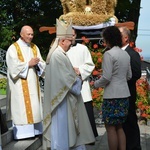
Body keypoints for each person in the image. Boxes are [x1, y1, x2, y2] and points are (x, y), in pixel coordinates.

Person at [43, 19, 95, 150]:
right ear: (62, 41)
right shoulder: (58, 55)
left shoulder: (58, 54)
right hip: (62, 100)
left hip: (62, 97)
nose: (70, 43)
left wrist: (77, 73)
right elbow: (68, 79)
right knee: (64, 131)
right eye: (68, 41)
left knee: (66, 131)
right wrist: (78, 78)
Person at [94, 26, 132, 150]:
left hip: (112, 96)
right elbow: (129, 75)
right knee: (120, 127)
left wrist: (95, 84)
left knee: (110, 128)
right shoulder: (125, 54)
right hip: (124, 95)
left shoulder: (108, 54)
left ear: (108, 39)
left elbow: (106, 77)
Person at [6, 25, 46, 140]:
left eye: (32, 34)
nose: (31, 36)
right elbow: (13, 67)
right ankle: (23, 134)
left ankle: (36, 130)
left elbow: (41, 63)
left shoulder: (34, 47)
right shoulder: (13, 48)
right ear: (21, 34)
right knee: (22, 109)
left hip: (33, 83)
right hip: (20, 85)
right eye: (28, 34)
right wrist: (28, 64)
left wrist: (38, 64)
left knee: (34, 106)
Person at [67, 28, 98, 138]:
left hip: (82, 84)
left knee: (85, 111)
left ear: (76, 35)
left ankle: (89, 136)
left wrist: (80, 70)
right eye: (69, 35)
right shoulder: (61, 50)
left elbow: (90, 65)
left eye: (73, 35)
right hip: (67, 86)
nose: (71, 37)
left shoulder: (83, 48)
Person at [119, 26, 142, 150]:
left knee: (130, 120)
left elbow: (136, 73)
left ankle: (134, 146)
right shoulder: (114, 52)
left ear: (126, 38)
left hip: (128, 92)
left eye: (119, 36)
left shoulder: (133, 54)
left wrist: (120, 78)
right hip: (118, 93)